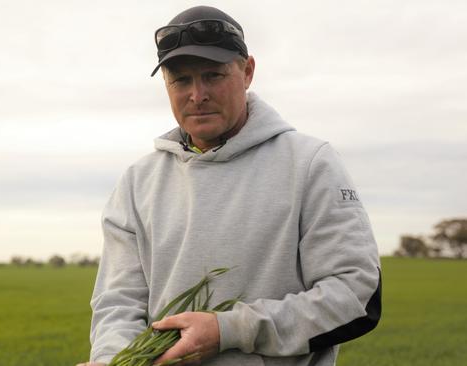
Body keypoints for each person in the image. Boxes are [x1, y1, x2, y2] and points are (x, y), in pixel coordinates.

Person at [78, 5, 381, 366]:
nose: (197, 94)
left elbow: (355, 296)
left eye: (213, 75)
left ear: (247, 71)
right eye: (181, 80)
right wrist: (116, 360)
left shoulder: (309, 163)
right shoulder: (137, 182)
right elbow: (119, 302)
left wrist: (229, 330)